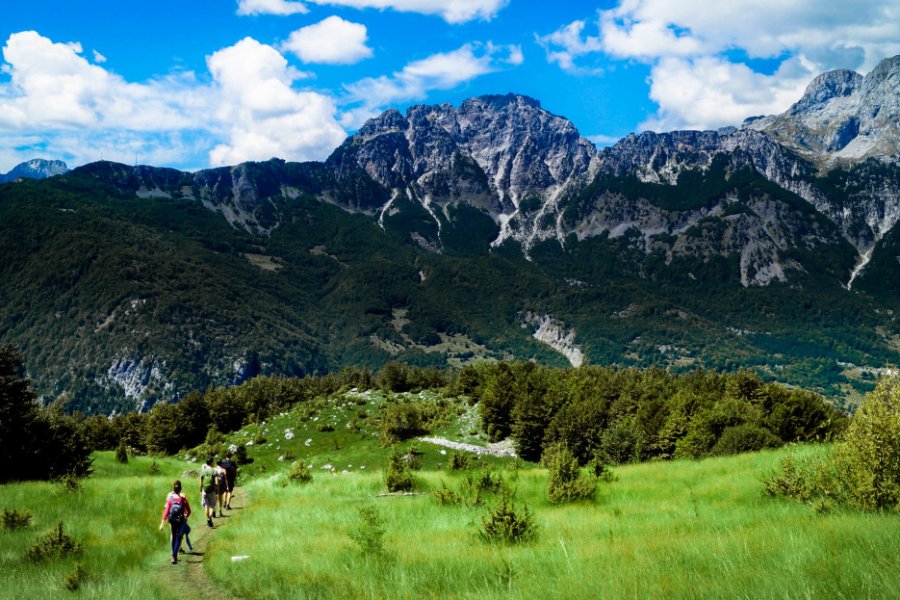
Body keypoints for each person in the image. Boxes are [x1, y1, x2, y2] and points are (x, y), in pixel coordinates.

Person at [159, 480, 191, 565]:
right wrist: (185, 517)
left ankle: (173, 555)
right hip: (180, 521)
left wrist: (162, 523)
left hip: (171, 520)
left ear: (173, 488)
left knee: (173, 535)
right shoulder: (183, 499)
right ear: (180, 488)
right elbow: (189, 511)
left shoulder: (170, 498)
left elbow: (166, 511)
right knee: (179, 537)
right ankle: (174, 555)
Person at [200, 457, 218, 527]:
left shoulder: (203, 472)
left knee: (206, 506)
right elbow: (216, 483)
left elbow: (201, 483)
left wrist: (200, 491)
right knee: (212, 505)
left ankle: (207, 519)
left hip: (205, 491)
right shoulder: (214, 471)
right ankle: (210, 517)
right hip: (212, 491)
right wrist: (216, 490)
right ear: (211, 462)